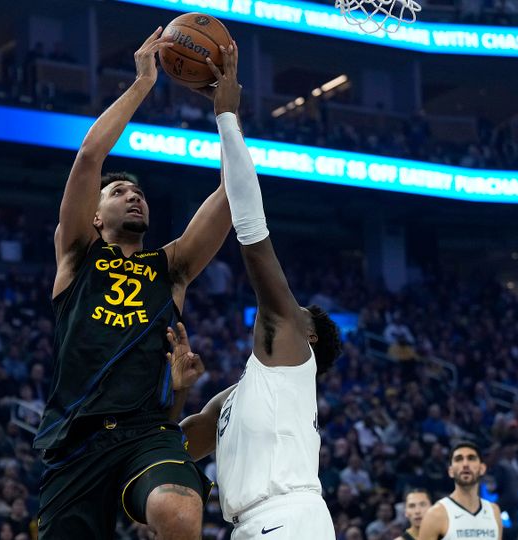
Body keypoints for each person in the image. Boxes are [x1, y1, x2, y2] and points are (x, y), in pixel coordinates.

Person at [33, 25, 231, 540]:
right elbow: (88, 158)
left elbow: (233, 195)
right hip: (75, 438)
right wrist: (145, 82)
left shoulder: (171, 267)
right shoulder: (77, 256)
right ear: (95, 217)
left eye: (138, 192)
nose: (133, 196)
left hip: (148, 432)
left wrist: (227, 114)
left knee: (180, 509)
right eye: (119, 192)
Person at [178, 41, 343, 539]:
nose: (288, 309)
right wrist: (175, 392)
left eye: (301, 312)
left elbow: (252, 234)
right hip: (251, 525)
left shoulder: (290, 348)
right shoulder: (239, 395)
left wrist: (227, 118)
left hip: (288, 519)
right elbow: (175, 447)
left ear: (307, 336)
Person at [418, 442, 503, 540]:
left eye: (471, 458)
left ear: (482, 469)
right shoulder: (435, 514)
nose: (465, 464)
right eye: (459, 459)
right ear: (451, 471)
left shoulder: (494, 511)